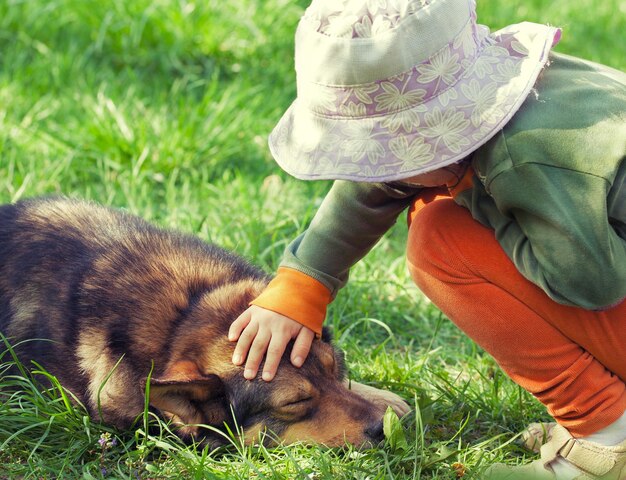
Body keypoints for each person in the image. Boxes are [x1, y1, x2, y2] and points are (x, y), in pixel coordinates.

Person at [228, 0, 626, 477]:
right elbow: (380, 186)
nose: (377, 174)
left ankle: (606, 434)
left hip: (597, 279)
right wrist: (300, 286)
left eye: (382, 154)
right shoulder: (535, 96)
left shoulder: (526, 159)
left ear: (441, 135)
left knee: (441, 241)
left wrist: (470, 199)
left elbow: (590, 282)